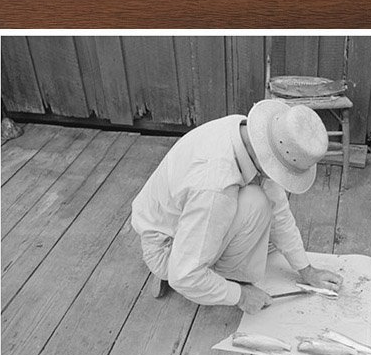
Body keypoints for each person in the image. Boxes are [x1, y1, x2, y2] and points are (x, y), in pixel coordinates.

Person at [130, 99, 344, 314]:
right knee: (256, 204)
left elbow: (279, 210)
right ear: (269, 160)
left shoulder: (246, 135)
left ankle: (208, 265)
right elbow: (184, 275)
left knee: (263, 209)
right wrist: (240, 296)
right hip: (167, 249)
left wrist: (306, 270)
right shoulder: (214, 188)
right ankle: (216, 277)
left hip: (184, 220)